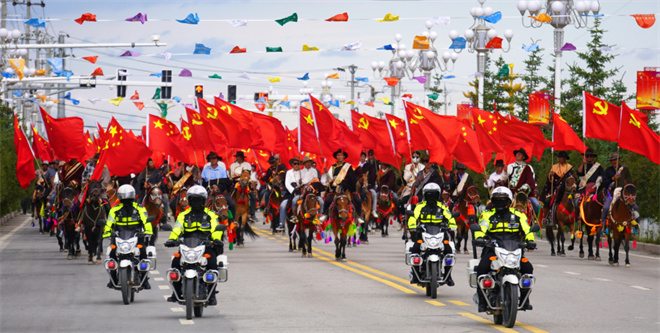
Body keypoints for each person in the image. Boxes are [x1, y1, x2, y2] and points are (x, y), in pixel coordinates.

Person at [474, 186, 535, 312]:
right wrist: (480, 238)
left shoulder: (518, 215)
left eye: (503, 200)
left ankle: (525, 299)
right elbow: (481, 229)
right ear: (493, 201)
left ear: (509, 201)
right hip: (493, 250)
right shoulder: (487, 215)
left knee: (528, 268)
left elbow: (527, 230)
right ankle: (482, 300)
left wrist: (530, 241)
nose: (500, 202)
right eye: (497, 200)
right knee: (482, 268)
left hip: (513, 250)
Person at [164, 185, 224, 305]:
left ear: (204, 200)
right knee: (175, 262)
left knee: (212, 263)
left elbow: (216, 229)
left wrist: (216, 239)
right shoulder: (183, 215)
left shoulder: (211, 215)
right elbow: (177, 228)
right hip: (187, 246)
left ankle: (212, 295)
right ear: (189, 200)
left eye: (198, 199)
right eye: (193, 199)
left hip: (206, 246)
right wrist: (172, 239)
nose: (195, 202)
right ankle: (175, 292)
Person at [102, 184, 153, 290]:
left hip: (136, 235)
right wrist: (107, 232)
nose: (126, 202)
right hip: (119, 236)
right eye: (124, 200)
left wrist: (147, 231)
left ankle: (145, 279)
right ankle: (112, 279)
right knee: (112, 254)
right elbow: (110, 222)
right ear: (120, 198)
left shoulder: (139, 208)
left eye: (128, 199)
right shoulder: (114, 210)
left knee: (143, 252)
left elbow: (146, 221)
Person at [407, 183, 456, 286]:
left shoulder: (442, 207)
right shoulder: (420, 206)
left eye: (434, 194)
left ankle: (448, 275)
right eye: (429, 194)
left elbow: (450, 217)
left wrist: (452, 226)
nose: (431, 197)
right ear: (425, 195)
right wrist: (412, 226)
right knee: (415, 249)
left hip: (440, 232)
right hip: (423, 232)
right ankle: (416, 274)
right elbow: (413, 217)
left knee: (449, 251)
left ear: (438, 195)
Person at [323, 149, 364, 224]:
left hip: (347, 188)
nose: (339, 157)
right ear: (336, 157)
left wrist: (343, 184)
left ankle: (358, 217)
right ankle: (325, 215)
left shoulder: (348, 167)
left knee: (357, 200)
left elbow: (352, 179)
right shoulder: (333, 167)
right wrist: (327, 174)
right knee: (327, 199)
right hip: (336, 189)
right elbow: (329, 179)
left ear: (344, 157)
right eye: (338, 155)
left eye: (341, 155)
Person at [601, 152, 637, 226]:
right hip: (611, 193)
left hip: (624, 194)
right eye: (613, 160)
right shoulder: (608, 170)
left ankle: (636, 224)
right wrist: (612, 178)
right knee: (606, 207)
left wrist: (626, 184)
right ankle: (604, 223)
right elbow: (604, 183)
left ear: (619, 160)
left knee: (635, 207)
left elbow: (630, 183)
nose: (615, 161)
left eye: (616, 159)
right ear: (611, 162)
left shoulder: (625, 170)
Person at [540, 151, 574, 226]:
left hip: (565, 188)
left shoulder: (569, 167)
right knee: (547, 200)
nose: (560, 159)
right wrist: (551, 175)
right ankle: (546, 217)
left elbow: (570, 178)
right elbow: (550, 181)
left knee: (573, 201)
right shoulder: (554, 167)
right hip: (555, 188)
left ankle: (575, 217)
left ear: (565, 158)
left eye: (561, 157)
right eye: (559, 157)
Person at [201, 152, 236, 220]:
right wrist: (199, 178)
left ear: (217, 160)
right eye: (211, 158)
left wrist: (218, 187)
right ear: (209, 160)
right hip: (209, 190)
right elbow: (203, 183)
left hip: (221, 190)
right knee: (201, 204)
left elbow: (225, 182)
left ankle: (232, 221)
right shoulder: (205, 170)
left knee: (232, 204)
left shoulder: (222, 170)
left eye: (214, 158)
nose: (213, 160)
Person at [507, 148, 539, 214]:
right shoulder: (509, 166)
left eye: (520, 154)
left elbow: (530, 180)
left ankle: (534, 221)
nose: (518, 155)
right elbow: (505, 179)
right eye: (517, 154)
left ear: (523, 157)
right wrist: (505, 172)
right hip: (511, 191)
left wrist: (523, 189)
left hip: (524, 192)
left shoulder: (528, 167)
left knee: (536, 204)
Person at [278, 157, 301, 230]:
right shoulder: (289, 172)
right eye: (295, 164)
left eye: (298, 163)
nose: (297, 165)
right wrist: (293, 190)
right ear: (292, 165)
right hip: (290, 193)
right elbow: (287, 183)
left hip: (301, 192)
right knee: (282, 205)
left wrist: (300, 183)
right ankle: (281, 223)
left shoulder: (302, 172)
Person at [357, 152, 378, 217]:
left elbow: (372, 175)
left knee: (374, 194)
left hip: (368, 185)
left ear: (365, 157)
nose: (362, 158)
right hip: (358, 185)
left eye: (363, 156)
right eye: (361, 156)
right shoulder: (356, 165)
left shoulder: (369, 165)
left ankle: (374, 210)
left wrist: (369, 181)